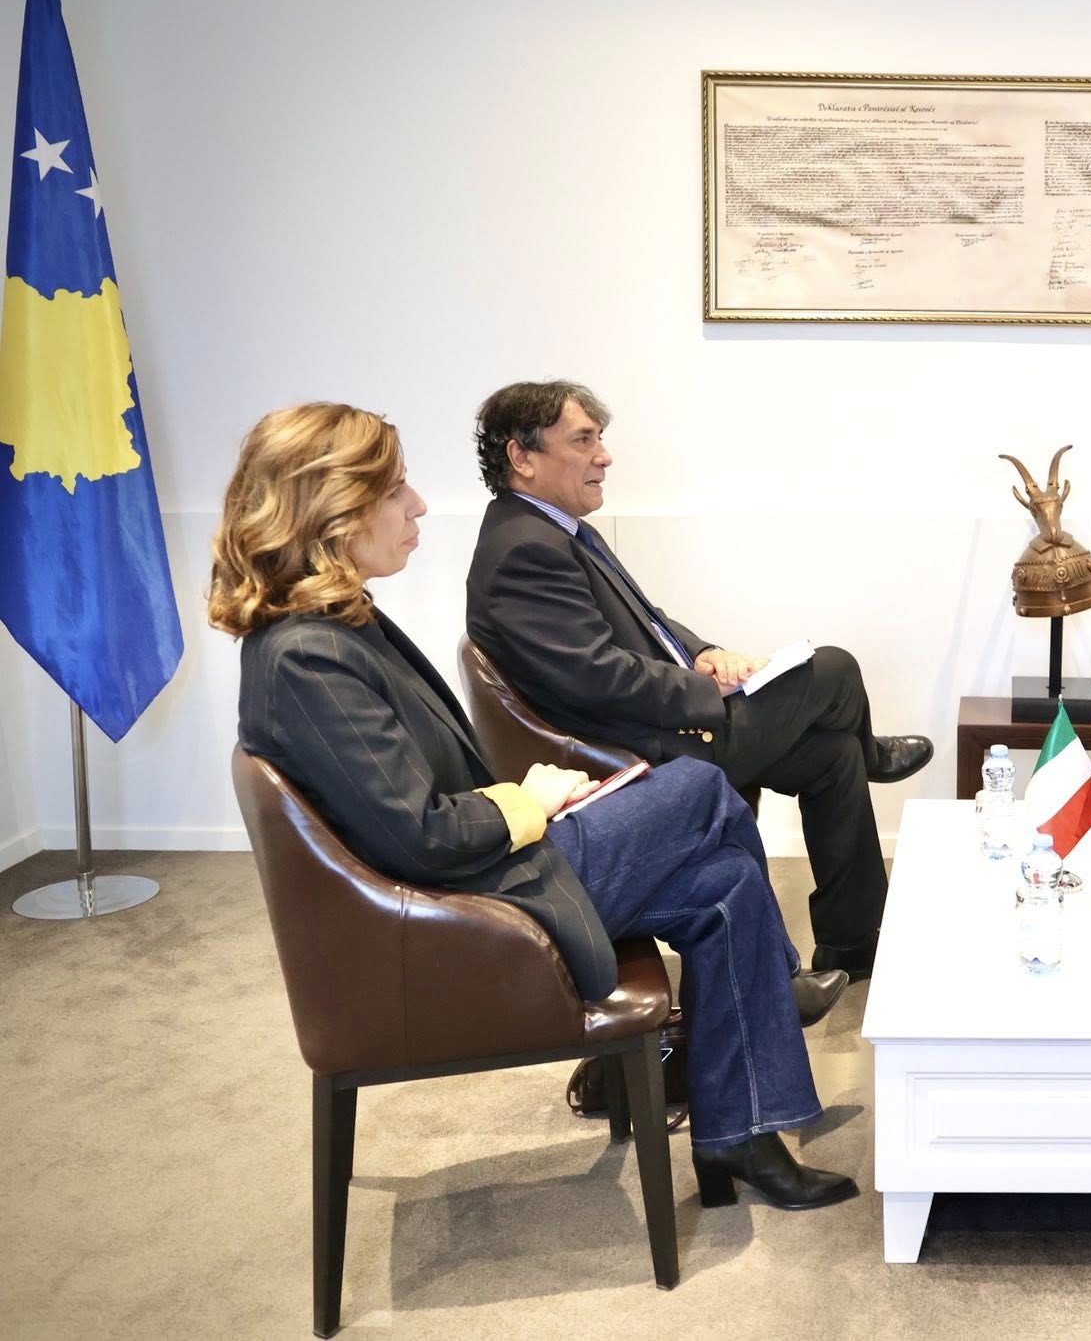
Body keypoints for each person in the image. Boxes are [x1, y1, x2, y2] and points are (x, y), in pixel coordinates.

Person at [211, 403, 857, 1210]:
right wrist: (530, 800)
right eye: (395, 490)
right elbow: (421, 835)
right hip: (469, 901)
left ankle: (740, 1134)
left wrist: (535, 799)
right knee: (699, 787)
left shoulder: (331, 628)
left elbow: (407, 802)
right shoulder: (307, 657)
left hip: (484, 868)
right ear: (332, 509)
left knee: (725, 884)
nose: (417, 506)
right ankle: (776, 998)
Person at [464, 381, 932, 981]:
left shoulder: (553, 529)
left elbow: (648, 621)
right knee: (835, 669)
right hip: (640, 752)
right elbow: (596, 677)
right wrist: (707, 693)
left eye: (600, 439)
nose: (604, 456)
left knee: (833, 756)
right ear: (521, 456)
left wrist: (706, 654)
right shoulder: (524, 549)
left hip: (660, 721)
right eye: (583, 441)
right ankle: (874, 755)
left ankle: (852, 945)